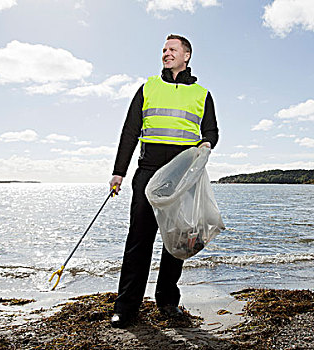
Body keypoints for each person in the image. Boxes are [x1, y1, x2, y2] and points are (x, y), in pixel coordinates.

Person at [109, 34, 219, 328]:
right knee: (138, 241)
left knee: (178, 240)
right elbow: (130, 131)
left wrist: (207, 144)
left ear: (186, 56)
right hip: (148, 173)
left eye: (172, 49)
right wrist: (119, 171)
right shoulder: (148, 88)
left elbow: (211, 131)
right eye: (163, 50)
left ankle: (168, 302)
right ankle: (126, 306)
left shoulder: (202, 94)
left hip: (182, 177)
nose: (166, 54)